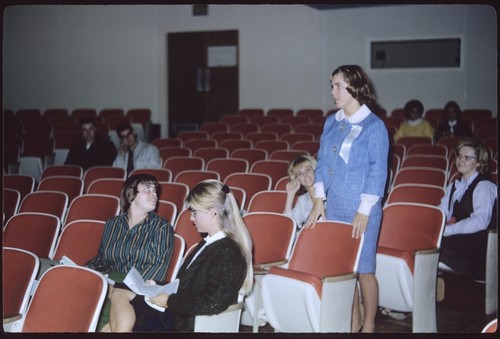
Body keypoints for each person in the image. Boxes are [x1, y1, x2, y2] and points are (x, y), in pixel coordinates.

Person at [103, 179, 253, 332]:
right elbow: (188, 286)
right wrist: (158, 285)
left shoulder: (228, 252)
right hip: (179, 311)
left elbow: (213, 302)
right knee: (121, 288)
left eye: (194, 212)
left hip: (187, 321)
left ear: (212, 212)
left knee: (110, 325)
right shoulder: (208, 244)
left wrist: (169, 301)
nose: (191, 218)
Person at [305, 65, 389, 333]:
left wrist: (364, 209)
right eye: (332, 85)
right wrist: (319, 198)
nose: (333, 91)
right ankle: (352, 323)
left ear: (355, 88)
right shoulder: (332, 121)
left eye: (339, 86)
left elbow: (378, 171)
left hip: (362, 207)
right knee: (345, 270)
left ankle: (369, 325)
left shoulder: (375, 126)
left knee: (364, 270)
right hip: (336, 203)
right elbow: (322, 162)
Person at [85, 173, 174, 331]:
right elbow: (102, 259)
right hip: (111, 282)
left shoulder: (161, 227)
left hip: (141, 286)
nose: (154, 193)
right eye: (147, 188)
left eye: (155, 189)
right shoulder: (112, 224)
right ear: (131, 193)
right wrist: (81, 270)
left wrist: (123, 284)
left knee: (105, 319)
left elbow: (158, 267)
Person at [438, 138, 497, 282]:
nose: (460, 160)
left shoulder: (485, 186)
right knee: (426, 243)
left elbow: (480, 222)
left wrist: (447, 231)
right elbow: (441, 213)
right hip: (458, 239)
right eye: (459, 155)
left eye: (467, 157)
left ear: (478, 163)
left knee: (434, 250)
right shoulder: (453, 186)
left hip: (477, 244)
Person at [283, 155, 320, 229]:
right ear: (297, 179)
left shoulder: (330, 194)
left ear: (315, 170)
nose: (305, 175)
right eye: (299, 173)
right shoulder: (302, 200)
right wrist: (290, 194)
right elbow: (288, 225)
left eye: (308, 169)